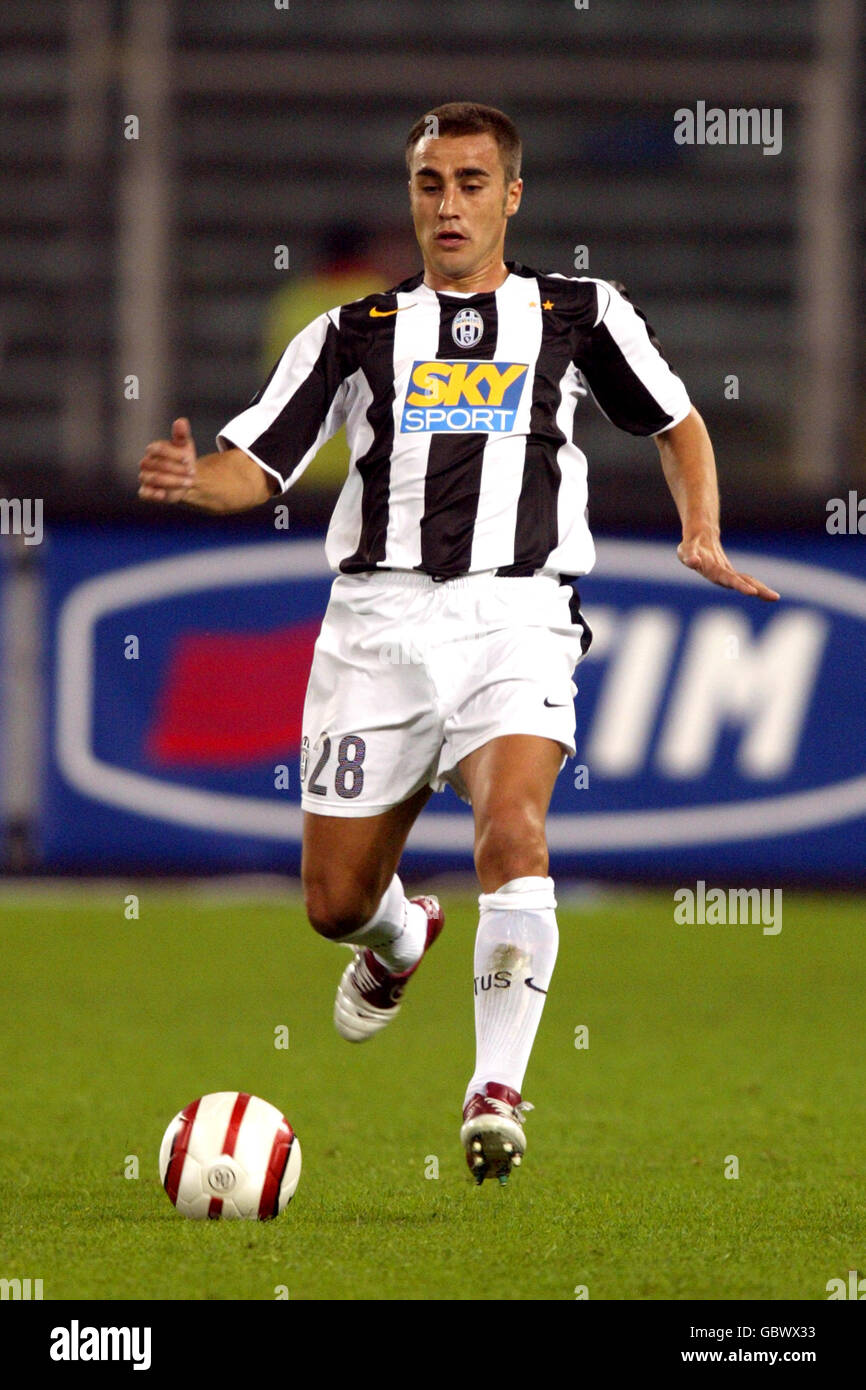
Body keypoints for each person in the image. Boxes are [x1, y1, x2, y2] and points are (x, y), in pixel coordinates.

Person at [138, 101, 779, 1186]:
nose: (449, 203)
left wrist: (699, 529)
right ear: (411, 196)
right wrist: (197, 480)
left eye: (472, 182)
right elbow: (262, 462)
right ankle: (400, 937)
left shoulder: (578, 312)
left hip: (514, 614)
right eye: (430, 183)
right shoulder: (351, 332)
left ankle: (494, 1092)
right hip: (375, 629)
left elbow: (674, 420)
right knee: (334, 903)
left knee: (513, 829)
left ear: (511, 195)